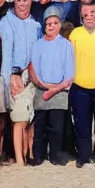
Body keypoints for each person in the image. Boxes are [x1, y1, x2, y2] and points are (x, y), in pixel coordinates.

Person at [0, 0, 41, 165]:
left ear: (31, 0)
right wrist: (13, 74)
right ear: (13, 0)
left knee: (27, 118)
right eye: (19, 0)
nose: (22, 4)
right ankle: (3, 154)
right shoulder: (4, 23)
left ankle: (25, 152)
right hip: (8, 75)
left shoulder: (36, 26)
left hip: (30, 77)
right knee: (5, 118)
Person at [66, 2, 95, 166]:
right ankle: (84, 155)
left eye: (93, 13)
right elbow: (69, 59)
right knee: (82, 123)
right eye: (86, 14)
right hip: (80, 86)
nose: (90, 16)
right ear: (81, 17)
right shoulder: (75, 34)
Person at [27, 9, 75, 165]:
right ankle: (38, 155)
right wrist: (44, 86)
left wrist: (56, 88)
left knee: (57, 126)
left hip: (60, 91)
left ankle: (55, 155)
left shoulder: (66, 45)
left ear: (60, 24)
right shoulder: (37, 44)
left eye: (55, 23)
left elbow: (69, 72)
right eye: (48, 24)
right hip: (42, 89)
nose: (51, 26)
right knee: (40, 125)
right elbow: (34, 67)